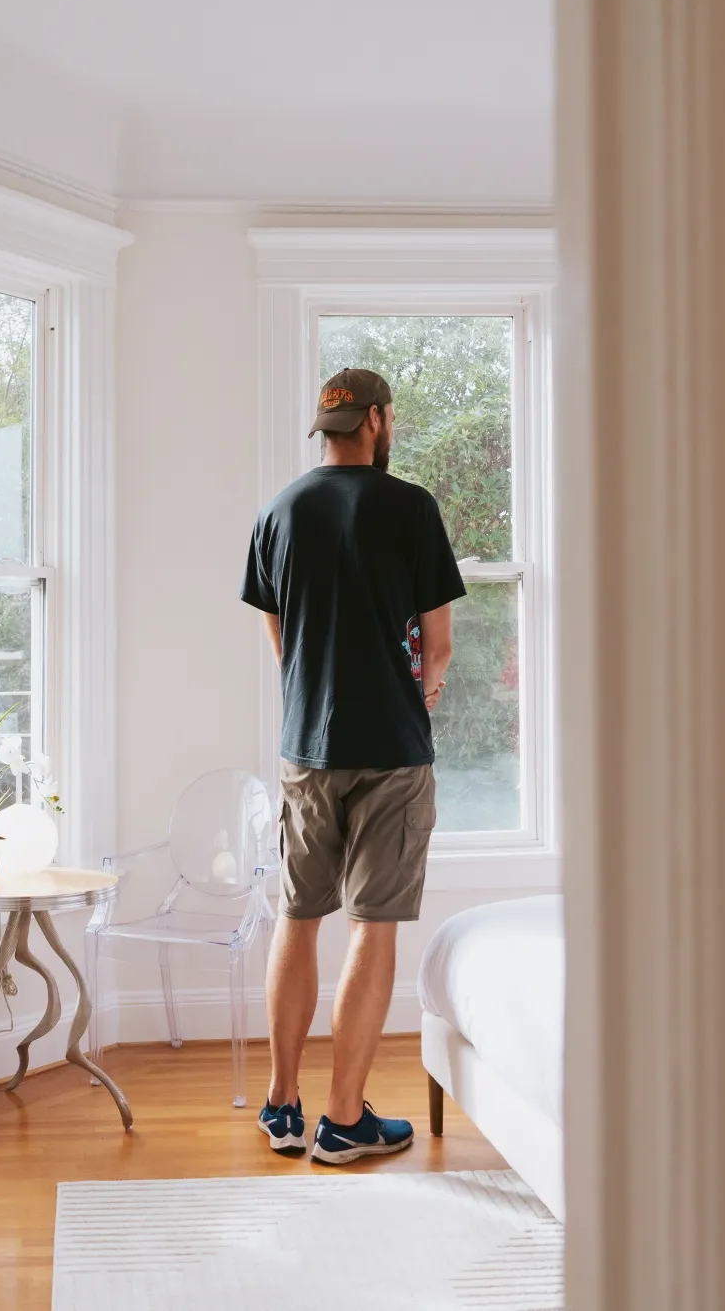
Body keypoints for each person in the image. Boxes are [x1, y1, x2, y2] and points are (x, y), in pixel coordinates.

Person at [240, 367, 465, 1163]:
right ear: (377, 420)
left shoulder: (280, 511)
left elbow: (280, 642)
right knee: (373, 926)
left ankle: (281, 1105)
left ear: (325, 428)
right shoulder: (410, 508)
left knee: (297, 919)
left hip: (307, 747)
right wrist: (422, 690)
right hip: (393, 752)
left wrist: (313, 692)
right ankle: (344, 1122)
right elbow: (436, 648)